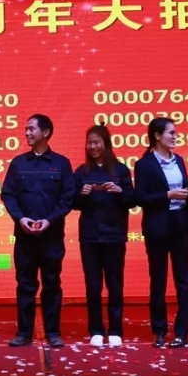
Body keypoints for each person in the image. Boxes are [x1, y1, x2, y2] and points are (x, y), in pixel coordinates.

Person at [1, 114, 75, 348]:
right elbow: (8, 194)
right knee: (25, 284)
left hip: (51, 236)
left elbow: (67, 198)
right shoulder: (18, 163)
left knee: (52, 283)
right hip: (25, 236)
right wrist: (20, 218)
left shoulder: (61, 163)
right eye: (26, 129)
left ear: (46, 132)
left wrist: (49, 220)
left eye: (31, 129)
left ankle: (53, 332)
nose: (27, 133)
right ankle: (24, 333)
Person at [134, 118, 188, 348]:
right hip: (158, 226)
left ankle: (182, 331)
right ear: (157, 135)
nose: (175, 136)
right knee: (158, 280)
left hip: (181, 222)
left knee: (183, 280)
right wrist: (167, 196)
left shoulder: (178, 160)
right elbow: (140, 197)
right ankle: (159, 330)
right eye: (171, 133)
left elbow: (184, 193)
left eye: (175, 133)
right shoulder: (144, 164)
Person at [72, 124, 134, 348]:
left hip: (114, 236)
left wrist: (120, 191)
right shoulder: (82, 171)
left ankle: (115, 329)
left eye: (97, 142)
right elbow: (72, 203)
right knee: (93, 285)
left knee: (115, 284)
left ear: (106, 144)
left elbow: (132, 200)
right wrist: (82, 194)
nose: (93, 146)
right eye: (89, 142)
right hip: (89, 236)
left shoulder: (120, 170)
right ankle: (96, 329)